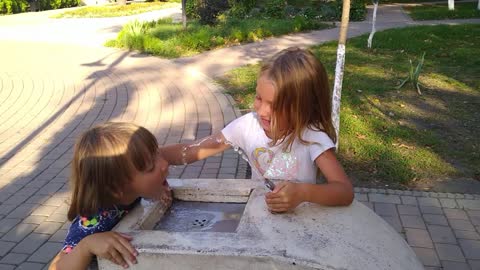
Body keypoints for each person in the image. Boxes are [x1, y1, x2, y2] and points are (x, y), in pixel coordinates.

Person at [161, 47, 353, 213]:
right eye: (259, 98)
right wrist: (152, 156)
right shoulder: (247, 126)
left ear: (302, 107)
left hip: (300, 227)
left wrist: (303, 192)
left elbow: (344, 191)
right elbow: (193, 151)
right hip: (259, 219)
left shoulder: (310, 137)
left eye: (275, 105)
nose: (261, 111)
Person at [49, 122, 172, 270]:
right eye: (151, 167)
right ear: (117, 187)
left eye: (157, 153)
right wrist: (87, 246)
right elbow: (56, 267)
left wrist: (156, 190)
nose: (164, 164)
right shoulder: (95, 221)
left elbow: (176, 154)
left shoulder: (128, 189)